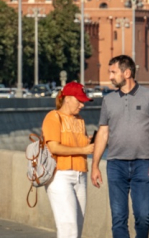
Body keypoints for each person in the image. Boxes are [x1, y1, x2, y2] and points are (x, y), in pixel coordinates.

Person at [91, 55, 149, 238]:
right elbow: (102, 134)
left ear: (127, 73)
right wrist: (94, 165)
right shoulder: (108, 100)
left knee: (143, 216)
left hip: (143, 164)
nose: (110, 77)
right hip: (116, 164)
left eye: (113, 72)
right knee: (118, 218)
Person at [41, 82, 95, 238]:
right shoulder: (53, 117)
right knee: (68, 228)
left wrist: (89, 142)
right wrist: (83, 150)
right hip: (60, 175)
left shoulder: (80, 120)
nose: (82, 105)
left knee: (77, 227)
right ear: (68, 99)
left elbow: (78, 143)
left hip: (80, 175)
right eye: (79, 101)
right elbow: (54, 147)